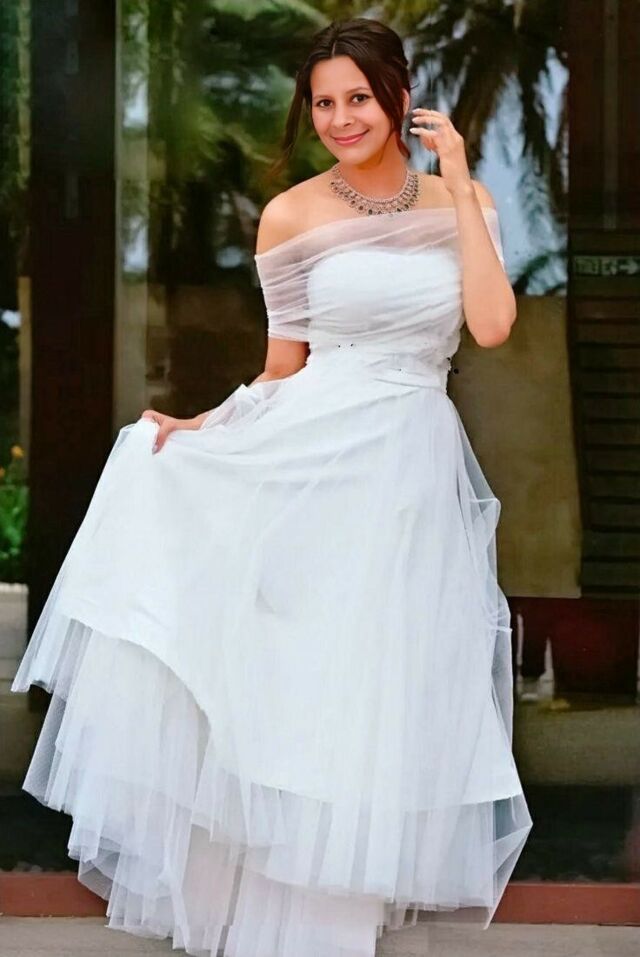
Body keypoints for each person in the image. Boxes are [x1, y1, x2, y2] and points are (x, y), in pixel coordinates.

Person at [11, 16, 533, 957]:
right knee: (304, 681)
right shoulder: (291, 214)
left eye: (359, 98)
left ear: (399, 96)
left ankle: (341, 914)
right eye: (323, 103)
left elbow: (491, 325)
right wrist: (203, 427)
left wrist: (458, 182)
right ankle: (281, 919)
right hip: (312, 459)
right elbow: (283, 368)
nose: (341, 119)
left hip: (409, 464)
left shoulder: (465, 201)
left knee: (382, 683)